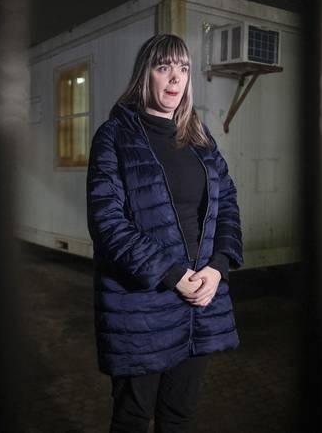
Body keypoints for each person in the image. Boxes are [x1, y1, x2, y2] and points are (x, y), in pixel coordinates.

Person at [86, 34, 243, 432]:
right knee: (134, 418)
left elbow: (227, 203)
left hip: (200, 302)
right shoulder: (115, 136)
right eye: (164, 67)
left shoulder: (199, 137)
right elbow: (107, 222)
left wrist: (218, 267)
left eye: (183, 68)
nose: (175, 78)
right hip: (141, 306)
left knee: (179, 416)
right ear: (145, 75)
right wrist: (173, 275)